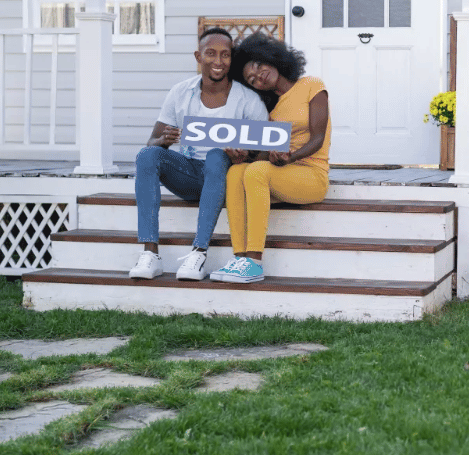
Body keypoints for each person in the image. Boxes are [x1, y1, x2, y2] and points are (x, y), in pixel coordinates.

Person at [129, 27, 269, 281]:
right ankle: (150, 253)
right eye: (211, 54)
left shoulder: (248, 100)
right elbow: (152, 140)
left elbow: (264, 155)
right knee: (146, 155)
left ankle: (199, 253)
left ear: (231, 59)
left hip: (224, 177)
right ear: (198, 56)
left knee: (217, 155)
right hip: (189, 174)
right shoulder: (181, 92)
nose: (218, 62)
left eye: (225, 55)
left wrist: (244, 157)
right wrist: (162, 140)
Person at [210, 33, 331, 283]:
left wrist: (291, 157)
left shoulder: (312, 85)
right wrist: (242, 156)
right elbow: (265, 156)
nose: (259, 76)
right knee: (236, 172)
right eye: (251, 80)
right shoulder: (272, 111)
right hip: (284, 174)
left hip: (312, 175)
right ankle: (240, 257)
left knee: (256, 172)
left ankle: (254, 262)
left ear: (270, 58)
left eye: (257, 66)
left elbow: (318, 138)